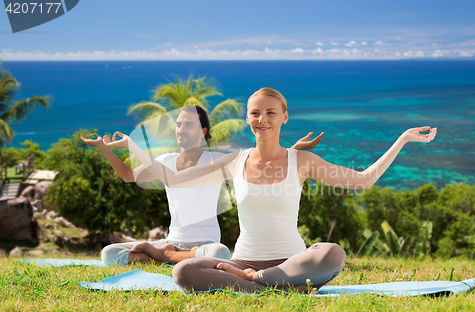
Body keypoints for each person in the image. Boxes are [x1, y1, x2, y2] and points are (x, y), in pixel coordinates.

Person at [105, 88, 437, 292]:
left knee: (332, 253)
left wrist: (403, 139)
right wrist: (133, 146)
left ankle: (259, 282)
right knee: (183, 272)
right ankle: (272, 285)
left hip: (291, 260)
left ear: (284, 118)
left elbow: (364, 180)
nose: (262, 118)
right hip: (242, 259)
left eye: (270, 112)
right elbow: (175, 178)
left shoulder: (302, 160)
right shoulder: (234, 161)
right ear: (247, 118)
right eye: (255, 113)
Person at [81, 105, 323, 266]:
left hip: (205, 245)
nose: (180, 129)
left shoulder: (214, 160)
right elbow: (127, 175)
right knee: (109, 254)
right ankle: (167, 254)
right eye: (178, 124)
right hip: (173, 241)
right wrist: (103, 148)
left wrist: (294, 151)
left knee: (220, 254)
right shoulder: (165, 161)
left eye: (187, 125)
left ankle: (162, 256)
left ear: (202, 132)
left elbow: (260, 163)